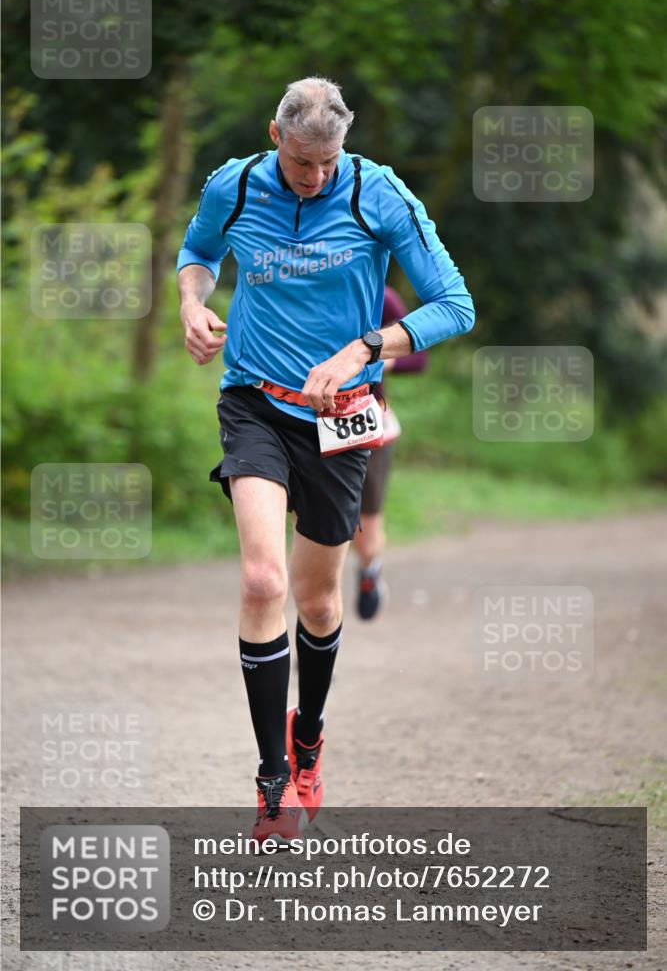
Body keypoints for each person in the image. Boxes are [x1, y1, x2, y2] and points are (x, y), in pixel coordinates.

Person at [176, 77, 474, 844]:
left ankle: (307, 736)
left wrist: (366, 347)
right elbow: (198, 251)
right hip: (252, 401)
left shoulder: (379, 194)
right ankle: (272, 783)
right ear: (276, 138)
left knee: (315, 600)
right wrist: (191, 303)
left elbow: (453, 305)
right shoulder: (234, 184)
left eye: (328, 162)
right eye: (303, 163)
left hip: (342, 418)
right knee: (261, 579)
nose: (315, 176)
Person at [354, 286, 427, 620]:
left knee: (366, 541)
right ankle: (315, 644)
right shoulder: (308, 282)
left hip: (370, 428)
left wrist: (376, 357)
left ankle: (370, 570)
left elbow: (419, 356)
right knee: (322, 543)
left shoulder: (384, 298)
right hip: (307, 425)